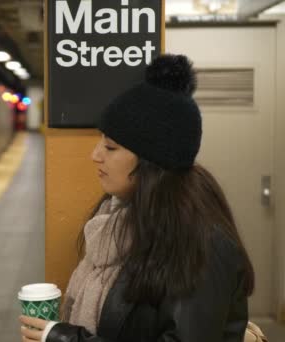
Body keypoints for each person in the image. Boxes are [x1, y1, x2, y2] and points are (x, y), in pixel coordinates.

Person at [20, 54, 254, 342]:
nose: (95, 155)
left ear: (151, 162)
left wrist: (67, 339)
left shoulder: (202, 246)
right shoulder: (118, 222)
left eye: (111, 146)